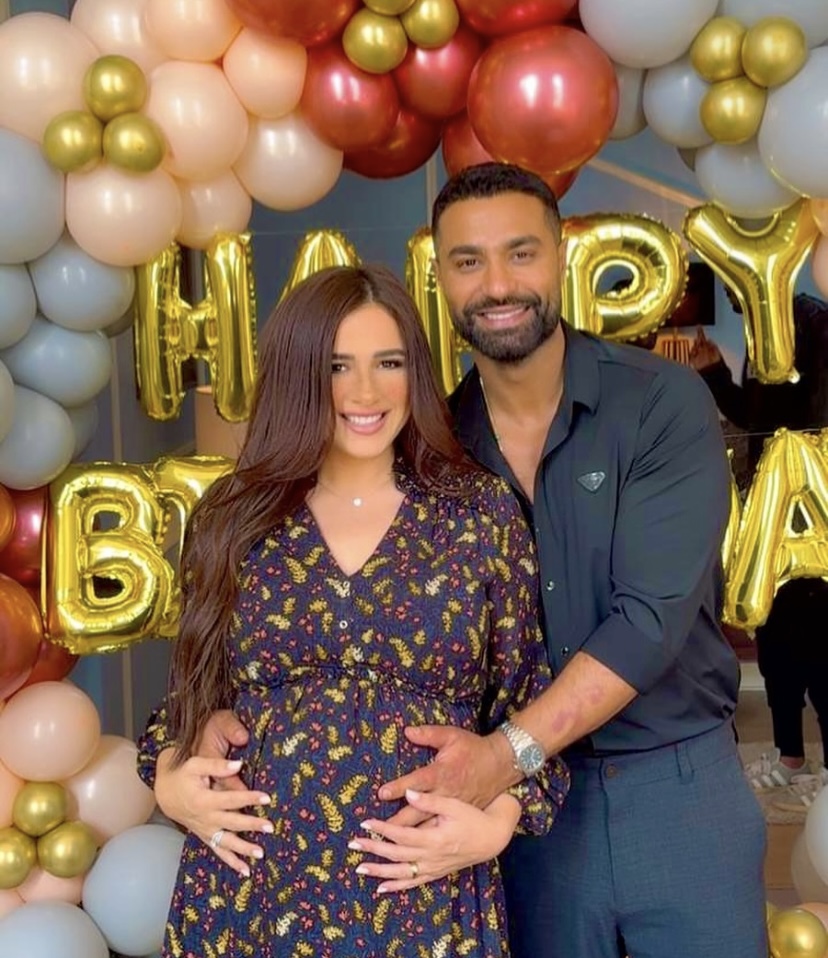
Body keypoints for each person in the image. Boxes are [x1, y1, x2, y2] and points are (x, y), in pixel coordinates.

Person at [148, 163, 768, 958]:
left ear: (563, 256)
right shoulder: (436, 451)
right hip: (418, 855)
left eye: (521, 252)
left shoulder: (652, 405)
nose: (498, 283)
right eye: (469, 260)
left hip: (663, 784)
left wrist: (503, 775)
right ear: (439, 276)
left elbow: (647, 623)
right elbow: (193, 691)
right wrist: (174, 765)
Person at [136, 263, 569, 958]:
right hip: (252, 897)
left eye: (388, 363)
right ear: (298, 375)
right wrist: (170, 781)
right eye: (338, 366)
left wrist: (499, 824)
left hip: (423, 899)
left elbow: (529, 703)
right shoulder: (234, 517)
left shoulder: (478, 514)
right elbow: (189, 705)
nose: (366, 392)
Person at [690, 295, 828, 803]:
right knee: (777, 646)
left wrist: (714, 376)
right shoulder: (769, 324)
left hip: (804, 510)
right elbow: (758, 417)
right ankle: (791, 757)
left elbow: (787, 415)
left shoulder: (809, 323)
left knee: (816, 646)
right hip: (773, 513)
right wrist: (716, 374)